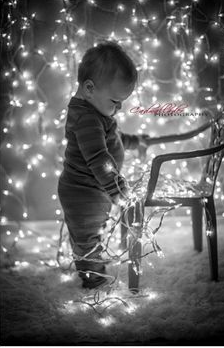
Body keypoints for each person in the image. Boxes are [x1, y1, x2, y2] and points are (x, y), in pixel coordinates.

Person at [58, 41, 149, 289]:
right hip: (83, 192)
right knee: (87, 239)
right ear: (89, 88)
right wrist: (117, 189)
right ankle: (92, 279)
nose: (119, 108)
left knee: (92, 233)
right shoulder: (86, 119)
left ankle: (93, 266)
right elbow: (100, 159)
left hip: (92, 190)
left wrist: (136, 141)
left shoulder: (97, 112)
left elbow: (114, 139)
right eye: (115, 101)